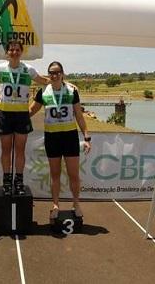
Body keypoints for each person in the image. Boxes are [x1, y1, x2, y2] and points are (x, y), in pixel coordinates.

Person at [0, 40, 48, 195]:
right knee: (5, 150)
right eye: (11, 50)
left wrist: (68, 84)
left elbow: (45, 81)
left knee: (20, 150)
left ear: (21, 52)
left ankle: (18, 181)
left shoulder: (29, 70)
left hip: (21, 114)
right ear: (7, 53)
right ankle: (6, 181)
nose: (14, 52)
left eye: (17, 50)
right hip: (4, 113)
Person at [29, 61, 91, 218]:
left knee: (73, 175)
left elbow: (78, 115)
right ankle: (55, 205)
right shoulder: (43, 91)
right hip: (52, 137)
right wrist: (14, 117)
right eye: (51, 72)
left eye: (57, 72)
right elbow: (31, 110)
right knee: (55, 174)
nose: (54, 75)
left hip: (69, 136)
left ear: (62, 73)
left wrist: (86, 136)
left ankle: (76, 203)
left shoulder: (71, 91)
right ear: (48, 74)